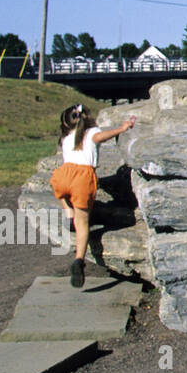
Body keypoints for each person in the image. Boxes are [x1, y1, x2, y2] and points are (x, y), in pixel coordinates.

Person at [52, 105, 135, 287]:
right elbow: (101, 137)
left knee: (60, 190)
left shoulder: (66, 138)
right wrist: (122, 128)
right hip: (83, 178)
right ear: (89, 119)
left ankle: (67, 212)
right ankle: (78, 260)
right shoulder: (92, 133)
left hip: (62, 175)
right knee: (83, 224)